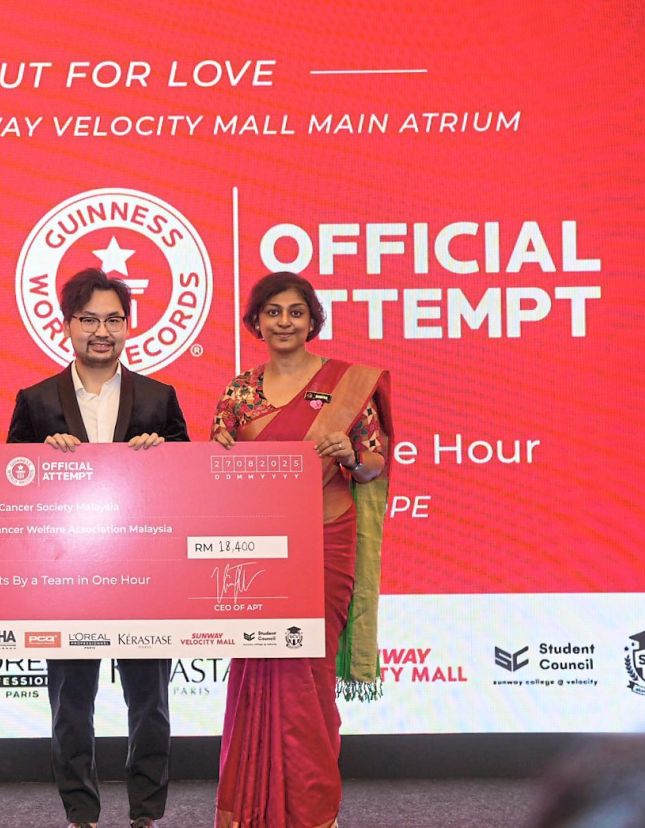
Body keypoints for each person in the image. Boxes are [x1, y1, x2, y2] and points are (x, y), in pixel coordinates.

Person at [7, 268, 189, 828]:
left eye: (113, 319)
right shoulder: (35, 400)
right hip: (67, 577)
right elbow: (8, 486)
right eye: (89, 320)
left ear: (128, 327)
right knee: (69, 703)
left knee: (151, 703)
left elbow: (190, 482)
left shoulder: (160, 397)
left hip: (145, 578)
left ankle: (146, 813)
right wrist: (43, 455)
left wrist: (163, 453)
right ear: (67, 326)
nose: (101, 331)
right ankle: (80, 812)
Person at [211, 272, 393, 828]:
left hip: (324, 542)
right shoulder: (239, 392)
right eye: (272, 311)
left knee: (307, 677)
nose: (284, 322)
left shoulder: (347, 385)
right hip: (257, 549)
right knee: (256, 673)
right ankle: (252, 810)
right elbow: (218, 469)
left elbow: (373, 464)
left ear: (313, 320)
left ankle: (313, 813)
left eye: (295, 312)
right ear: (256, 321)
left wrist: (349, 453)